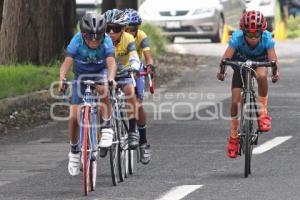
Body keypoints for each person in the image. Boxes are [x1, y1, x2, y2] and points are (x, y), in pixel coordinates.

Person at [58, 13, 117, 176]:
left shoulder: (106, 42)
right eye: (89, 37)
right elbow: (66, 64)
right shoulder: (76, 41)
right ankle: (74, 150)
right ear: (83, 34)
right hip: (81, 76)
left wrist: (111, 79)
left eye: (97, 36)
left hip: (100, 72)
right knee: (73, 116)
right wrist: (62, 78)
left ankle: (106, 127)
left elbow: (111, 64)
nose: (93, 40)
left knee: (104, 87)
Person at [216, 11, 280, 159]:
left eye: (256, 35)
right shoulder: (237, 38)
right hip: (240, 65)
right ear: (243, 32)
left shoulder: (267, 39)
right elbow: (225, 58)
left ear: (262, 32)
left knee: (262, 74)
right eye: (249, 35)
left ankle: (262, 112)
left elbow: (273, 60)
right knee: (235, 100)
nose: (252, 38)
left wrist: (276, 72)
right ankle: (233, 136)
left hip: (260, 62)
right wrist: (221, 71)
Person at [104, 9, 141, 150]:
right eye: (108, 29)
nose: (111, 32)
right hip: (106, 74)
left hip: (124, 72)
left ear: (124, 29)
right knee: (102, 96)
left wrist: (135, 67)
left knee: (130, 91)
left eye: (116, 29)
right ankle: (104, 128)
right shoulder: (101, 40)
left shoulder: (129, 38)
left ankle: (132, 130)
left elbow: (134, 57)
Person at [124, 8, 154, 164]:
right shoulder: (115, 35)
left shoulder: (141, 36)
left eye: (133, 28)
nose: (129, 31)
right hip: (117, 68)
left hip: (135, 70)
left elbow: (148, 56)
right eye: (126, 28)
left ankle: (143, 142)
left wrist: (149, 66)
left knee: (138, 104)